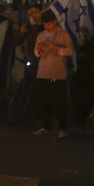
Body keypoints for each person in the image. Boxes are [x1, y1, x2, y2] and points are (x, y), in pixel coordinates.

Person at [32, 11, 72, 139]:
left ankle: (62, 128)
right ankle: (46, 126)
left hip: (58, 74)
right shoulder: (41, 35)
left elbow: (70, 51)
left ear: (54, 22)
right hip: (43, 73)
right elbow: (36, 52)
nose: (47, 27)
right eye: (45, 25)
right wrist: (39, 50)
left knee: (59, 102)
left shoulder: (63, 34)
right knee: (44, 102)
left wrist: (54, 47)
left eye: (49, 24)